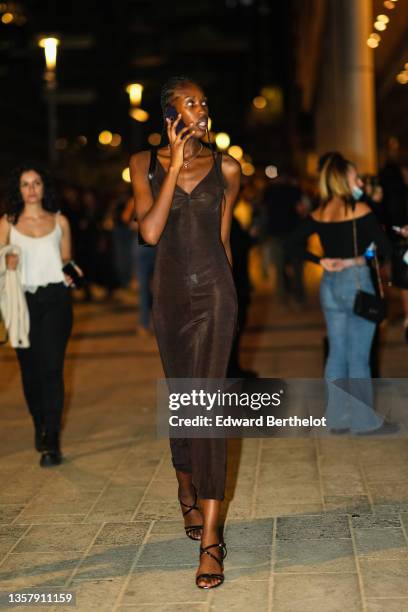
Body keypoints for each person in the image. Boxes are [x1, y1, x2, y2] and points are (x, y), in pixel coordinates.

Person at [130, 76, 240, 589]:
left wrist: (234, 300)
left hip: (216, 292)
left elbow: (222, 239)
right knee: (184, 401)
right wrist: (173, 167)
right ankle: (185, 490)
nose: (201, 107)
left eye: (204, 100)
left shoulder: (228, 168)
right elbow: (149, 232)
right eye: (190, 101)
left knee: (211, 406)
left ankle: (213, 540)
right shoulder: (141, 165)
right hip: (170, 296)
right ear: (169, 114)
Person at [287, 152, 397, 435]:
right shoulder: (360, 209)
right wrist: (365, 255)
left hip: (330, 284)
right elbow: (385, 249)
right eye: (354, 176)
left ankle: (336, 418)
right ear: (341, 179)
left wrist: (319, 260)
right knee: (358, 356)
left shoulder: (321, 211)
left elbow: (293, 243)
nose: (358, 180)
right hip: (356, 281)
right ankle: (364, 421)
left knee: (337, 353)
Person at [0, 163, 79, 466]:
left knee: (52, 370)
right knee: (30, 373)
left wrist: (73, 273)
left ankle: (52, 441)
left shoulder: (61, 221)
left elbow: (66, 259)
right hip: (22, 302)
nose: (31, 189)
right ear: (18, 190)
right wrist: (6, 263)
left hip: (56, 300)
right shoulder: (7, 223)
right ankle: (39, 423)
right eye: (25, 184)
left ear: (44, 187)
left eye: (36, 183)